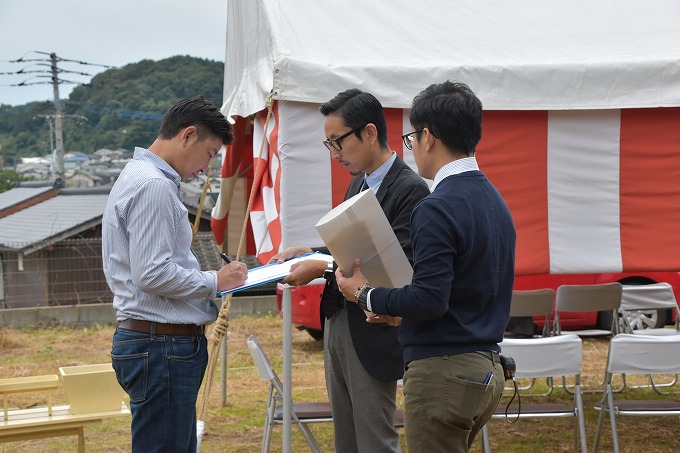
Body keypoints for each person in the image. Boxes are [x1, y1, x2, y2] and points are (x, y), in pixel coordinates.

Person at [335, 81, 517, 452]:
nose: (412, 148)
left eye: (411, 138)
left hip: (443, 371)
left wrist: (366, 294)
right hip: (487, 367)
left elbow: (430, 298)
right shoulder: (495, 199)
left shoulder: (437, 205)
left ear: (428, 136)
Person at [270, 89, 430, 452]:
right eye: (329, 144)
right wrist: (310, 252)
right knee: (346, 434)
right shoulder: (361, 180)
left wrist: (318, 265)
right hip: (340, 320)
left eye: (337, 142)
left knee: (374, 437)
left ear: (370, 133)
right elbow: (351, 250)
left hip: (373, 329)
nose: (335, 154)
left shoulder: (410, 190)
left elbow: (395, 265)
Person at [102, 96, 248, 453]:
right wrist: (216, 280)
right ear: (187, 136)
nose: (205, 168)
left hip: (156, 343)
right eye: (210, 154)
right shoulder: (153, 185)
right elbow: (152, 273)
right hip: (161, 345)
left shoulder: (140, 175)